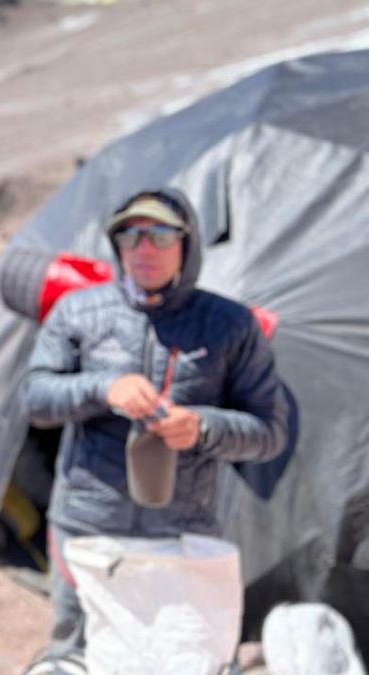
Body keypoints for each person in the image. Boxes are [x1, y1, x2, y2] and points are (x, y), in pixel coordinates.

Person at [19, 189, 288, 670]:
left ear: (187, 245)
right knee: (76, 655)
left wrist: (205, 426)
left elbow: (269, 431)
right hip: (87, 528)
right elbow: (34, 400)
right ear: (116, 243)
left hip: (180, 533)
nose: (145, 248)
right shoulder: (79, 312)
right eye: (131, 234)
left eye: (161, 235)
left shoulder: (229, 325)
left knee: (173, 657)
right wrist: (104, 387)